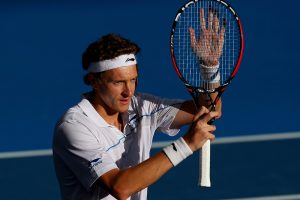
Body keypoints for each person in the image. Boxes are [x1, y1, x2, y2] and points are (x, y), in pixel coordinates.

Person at [53, 10, 223, 200]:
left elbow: (209, 110)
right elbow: (121, 188)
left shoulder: (142, 106)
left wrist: (210, 70)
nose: (129, 91)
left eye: (133, 80)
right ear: (94, 81)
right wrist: (187, 144)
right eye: (118, 83)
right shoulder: (74, 126)